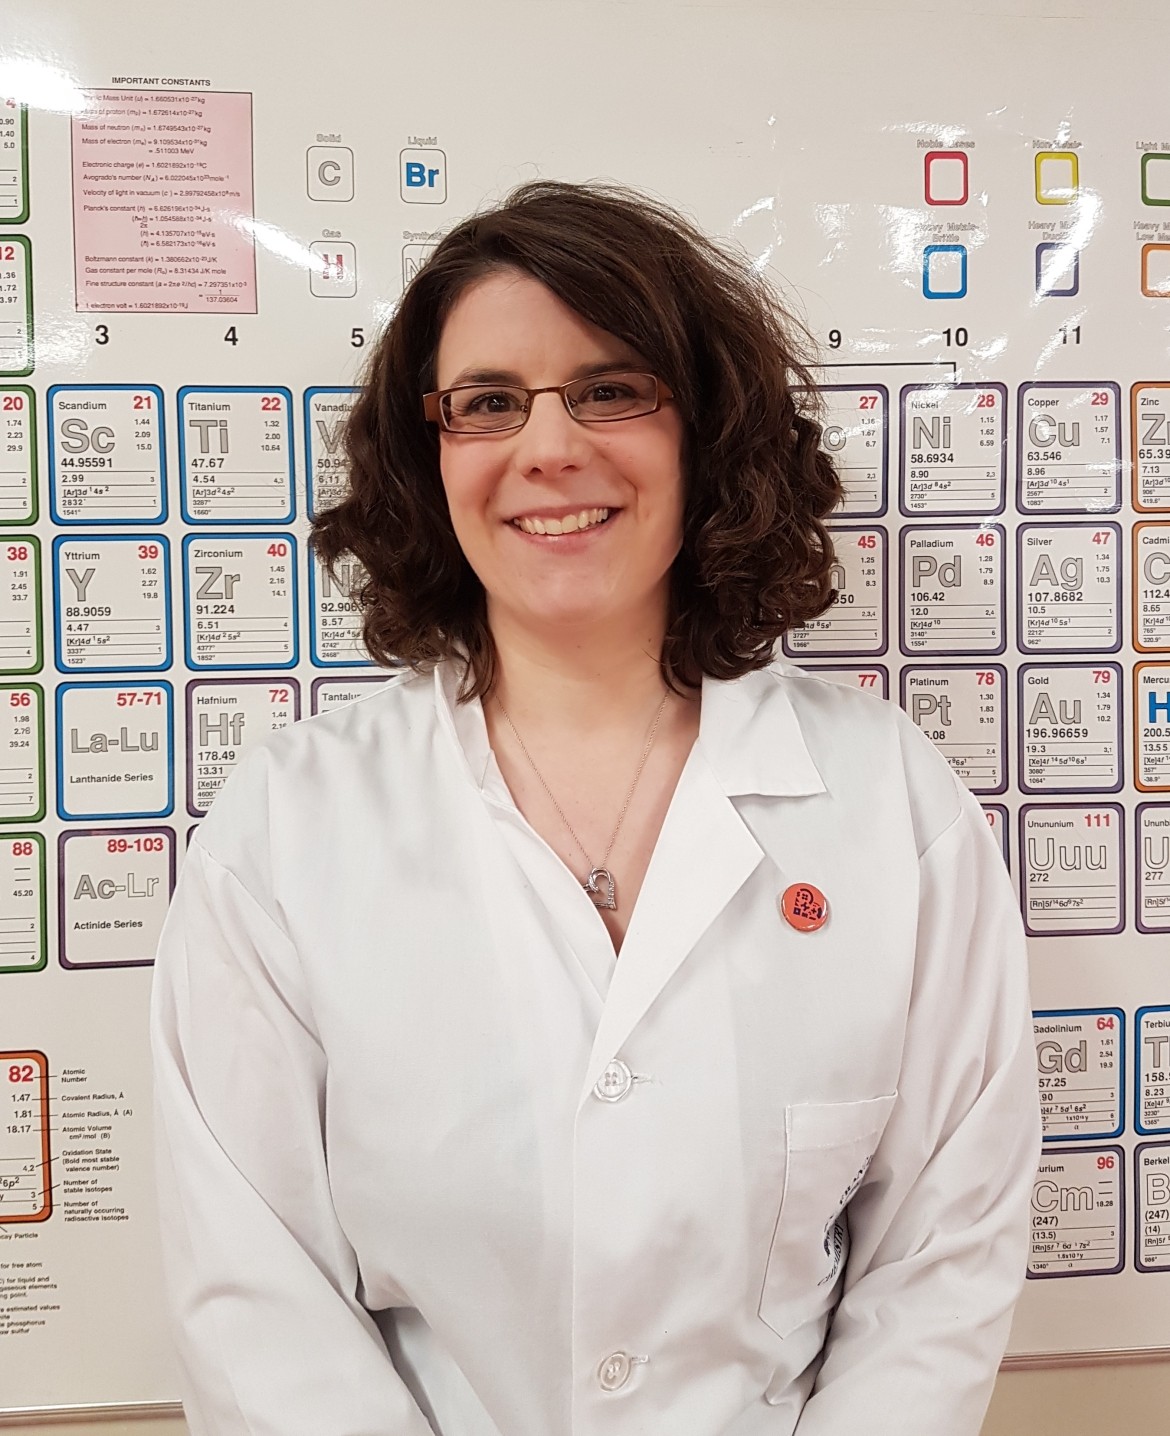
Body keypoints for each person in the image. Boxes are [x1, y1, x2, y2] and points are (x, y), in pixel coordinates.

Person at [150, 179, 1041, 1436]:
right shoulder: (288, 829)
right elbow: (257, 1300)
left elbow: (942, 1255)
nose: (548, 447)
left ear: (705, 432)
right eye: (488, 402)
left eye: (611, 389)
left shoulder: (889, 801)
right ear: (431, 455)